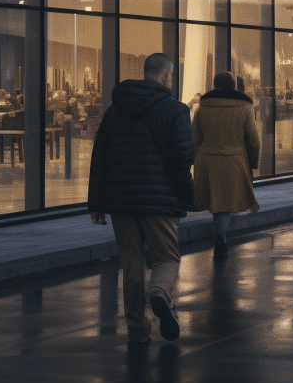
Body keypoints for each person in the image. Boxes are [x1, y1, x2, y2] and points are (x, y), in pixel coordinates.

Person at [87, 53, 195, 344]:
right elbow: (183, 159)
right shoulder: (175, 110)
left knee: (131, 263)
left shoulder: (114, 110)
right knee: (167, 257)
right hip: (160, 201)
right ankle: (160, 292)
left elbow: (100, 157)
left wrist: (96, 203)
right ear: (167, 75)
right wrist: (189, 197)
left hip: (121, 202)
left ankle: (137, 328)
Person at [192, 71, 260, 260]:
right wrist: (252, 162)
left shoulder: (202, 107)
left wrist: (197, 158)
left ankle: (220, 234)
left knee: (216, 200)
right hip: (233, 158)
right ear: (233, 86)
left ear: (214, 84)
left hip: (207, 159)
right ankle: (220, 236)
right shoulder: (245, 106)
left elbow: (195, 137)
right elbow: (254, 139)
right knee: (224, 204)